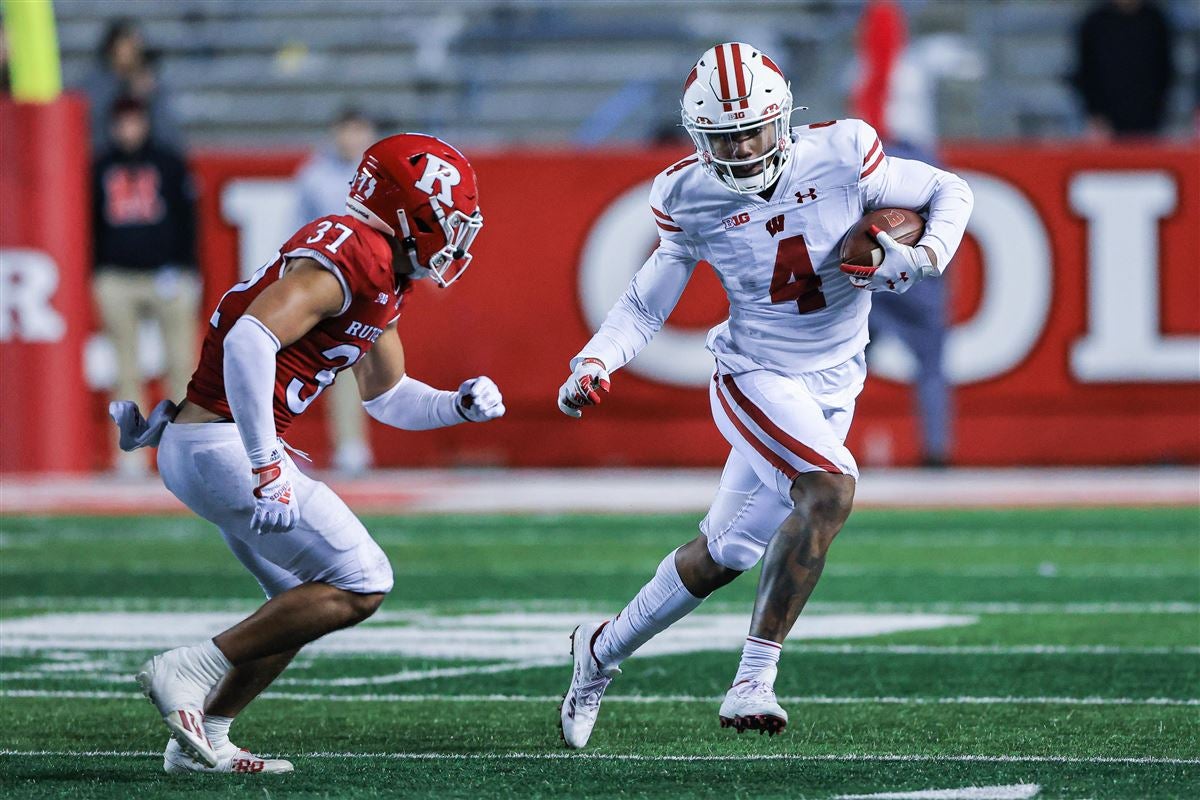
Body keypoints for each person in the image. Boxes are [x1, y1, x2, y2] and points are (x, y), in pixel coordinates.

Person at [556, 43, 972, 747]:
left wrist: (924, 258)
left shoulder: (842, 150)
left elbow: (947, 191)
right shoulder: (687, 193)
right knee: (831, 487)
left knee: (726, 553)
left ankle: (598, 651)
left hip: (838, 376)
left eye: (754, 129)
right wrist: (596, 359)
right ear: (699, 138)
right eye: (725, 136)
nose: (744, 148)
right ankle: (753, 680)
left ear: (784, 118)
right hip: (755, 371)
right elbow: (647, 301)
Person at [109, 134, 503, 774]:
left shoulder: (384, 270)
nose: (457, 239)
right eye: (448, 222)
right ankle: (190, 669)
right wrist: (266, 465)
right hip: (223, 444)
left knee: (299, 604)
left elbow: (387, 395)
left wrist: (455, 405)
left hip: (208, 443)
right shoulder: (357, 256)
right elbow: (248, 342)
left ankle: (207, 734)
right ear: (411, 215)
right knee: (365, 582)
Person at [93, 95, 198, 477]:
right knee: (123, 369)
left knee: (182, 368)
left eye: (133, 121)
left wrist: (189, 270)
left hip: (167, 274)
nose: (127, 130)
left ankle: (187, 451)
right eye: (121, 122)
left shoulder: (168, 163)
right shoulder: (100, 165)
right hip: (117, 275)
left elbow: (188, 221)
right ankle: (129, 455)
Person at [294, 109, 381, 473]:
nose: (351, 139)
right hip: (327, 278)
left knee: (372, 364)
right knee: (322, 363)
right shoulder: (314, 175)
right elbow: (299, 229)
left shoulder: (381, 174)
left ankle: (355, 443)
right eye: (346, 130)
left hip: (371, 279)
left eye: (359, 130)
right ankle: (346, 444)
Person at [1071, 0, 1175, 139]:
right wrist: (1094, 112)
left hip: (1147, 119)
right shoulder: (1094, 22)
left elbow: (1164, 70)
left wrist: (1158, 110)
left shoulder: (1155, 21)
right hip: (1105, 121)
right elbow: (1085, 71)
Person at [80, 18, 183, 150]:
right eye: (128, 44)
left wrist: (149, 99)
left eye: (137, 45)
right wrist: (126, 93)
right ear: (112, 48)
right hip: (104, 161)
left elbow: (169, 137)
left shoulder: (151, 84)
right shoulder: (93, 84)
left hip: (147, 160)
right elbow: (94, 129)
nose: (135, 50)